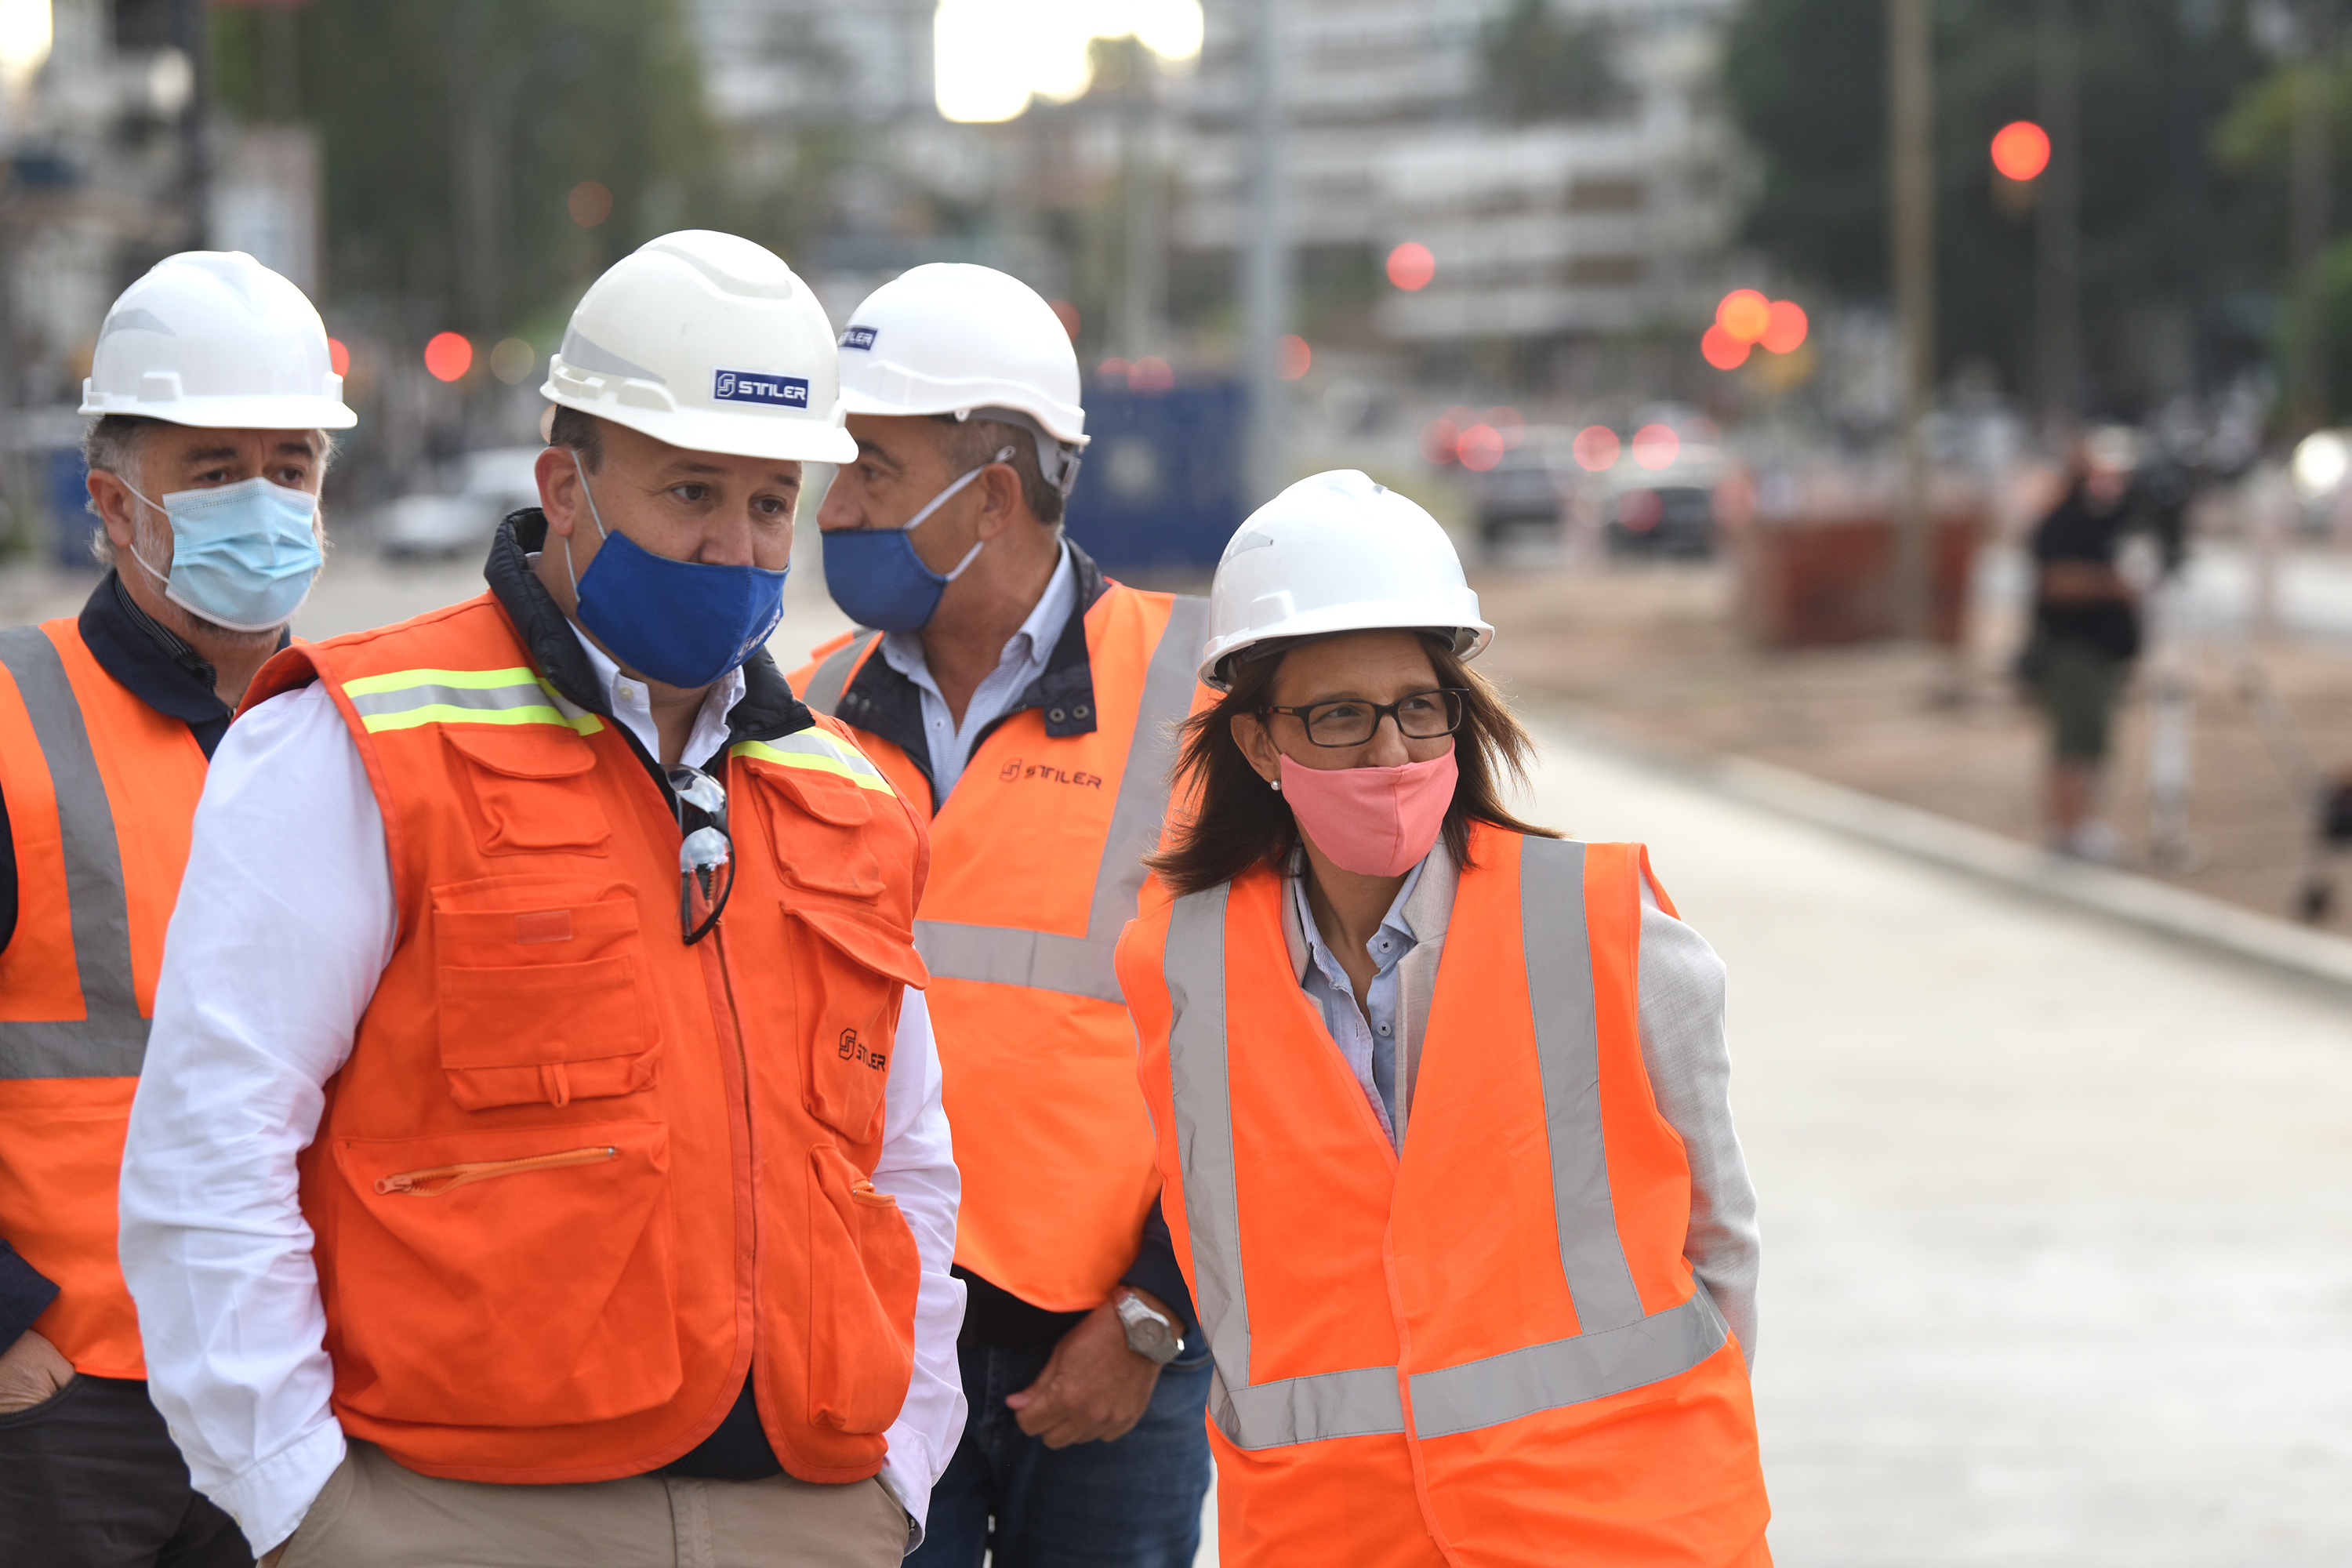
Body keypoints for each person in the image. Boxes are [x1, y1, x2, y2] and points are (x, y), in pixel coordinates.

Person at [116, 231, 964, 1568]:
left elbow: (906, 1165)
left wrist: (903, 1466)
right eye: (690, 489)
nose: (732, 546)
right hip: (459, 1518)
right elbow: (213, 1152)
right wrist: (304, 1510)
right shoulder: (360, 745)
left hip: (806, 1515)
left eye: (766, 503)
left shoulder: (843, 790)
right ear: (564, 485)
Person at [1113, 470, 1772, 1566]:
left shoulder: (1605, 923)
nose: (1391, 756)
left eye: (1421, 711)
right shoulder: (1180, 966)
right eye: (1340, 717)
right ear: (1259, 746)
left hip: (1615, 1532)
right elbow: (1229, 1281)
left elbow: (1721, 1242)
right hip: (1332, 1533)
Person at [788, 263, 1213, 1566]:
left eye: (870, 467)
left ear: (994, 490)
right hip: (867, 1327)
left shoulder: (1200, 699)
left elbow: (1264, 1045)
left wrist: (1152, 1311)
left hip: (1113, 1338)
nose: (835, 504)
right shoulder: (805, 707)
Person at [0, 249, 352, 1567]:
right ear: (112, 499)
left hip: (306, 1396)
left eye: (292, 465)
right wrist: (9, 1339)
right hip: (74, 1412)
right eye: (214, 470)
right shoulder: (11, 719)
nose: (263, 501)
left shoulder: (363, 729)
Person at [2022, 426, 2182, 859]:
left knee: (2093, 745)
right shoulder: (2060, 524)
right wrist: (2115, 587)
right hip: (2072, 650)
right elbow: (2055, 582)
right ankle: (2069, 829)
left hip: (2103, 653)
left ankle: (2082, 823)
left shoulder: (2111, 522)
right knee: (2074, 744)